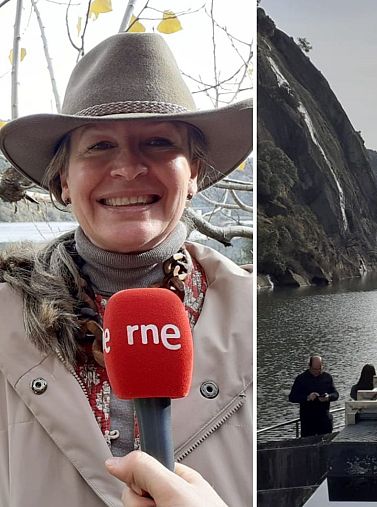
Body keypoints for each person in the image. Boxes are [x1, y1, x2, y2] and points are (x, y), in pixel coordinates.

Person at [0, 33, 252, 506]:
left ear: (194, 172)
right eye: (98, 146)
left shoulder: (249, 313)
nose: (129, 167)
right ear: (62, 181)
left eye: (158, 142)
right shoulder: (5, 318)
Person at [288, 356, 339, 437]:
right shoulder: (301, 378)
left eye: (319, 369)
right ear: (309, 366)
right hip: (308, 421)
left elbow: (336, 394)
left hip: (324, 420)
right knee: (307, 446)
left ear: (322, 366)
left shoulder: (327, 377)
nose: (317, 371)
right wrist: (307, 397)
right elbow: (292, 397)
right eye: (314, 369)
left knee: (326, 445)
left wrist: (328, 397)